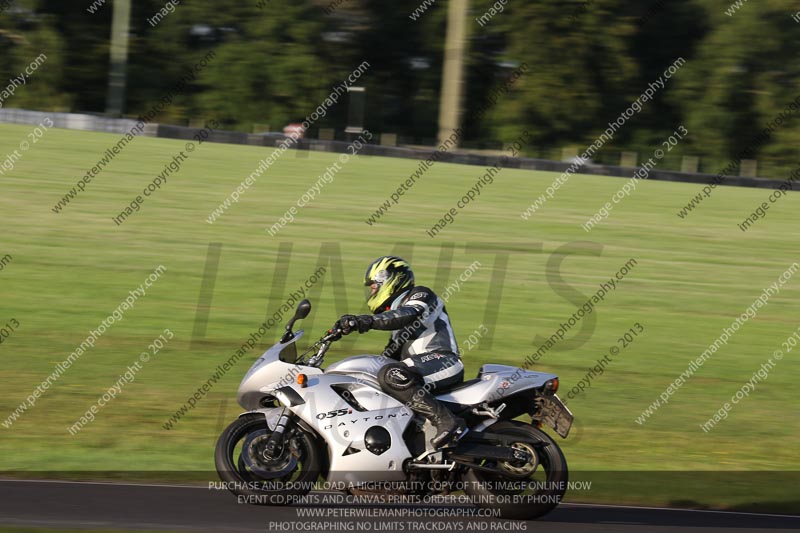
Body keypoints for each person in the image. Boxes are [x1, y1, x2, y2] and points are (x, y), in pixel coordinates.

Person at [334, 256, 467, 449]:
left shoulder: (420, 294)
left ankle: (446, 421)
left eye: (374, 286)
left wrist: (365, 321)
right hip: (420, 369)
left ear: (391, 279)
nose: (372, 291)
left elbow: (407, 314)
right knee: (378, 375)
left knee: (390, 374)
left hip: (444, 361)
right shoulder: (397, 322)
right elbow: (387, 357)